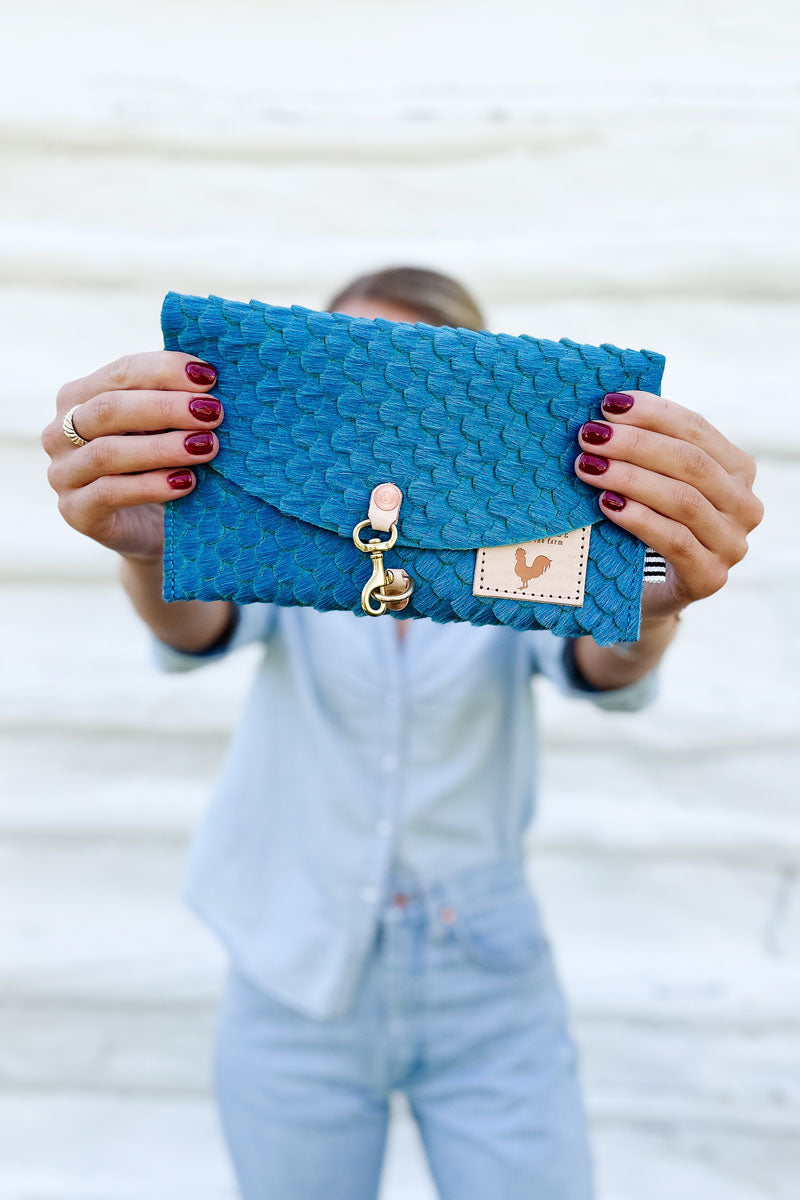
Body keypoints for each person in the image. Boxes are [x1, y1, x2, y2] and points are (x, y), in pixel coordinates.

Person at [42, 266, 763, 1200]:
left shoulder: (523, 524)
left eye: (405, 391)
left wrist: (650, 603)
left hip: (487, 984)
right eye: (346, 382)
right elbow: (197, 628)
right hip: (291, 968)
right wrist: (154, 550)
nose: (375, 429)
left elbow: (599, 666)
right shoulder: (272, 518)